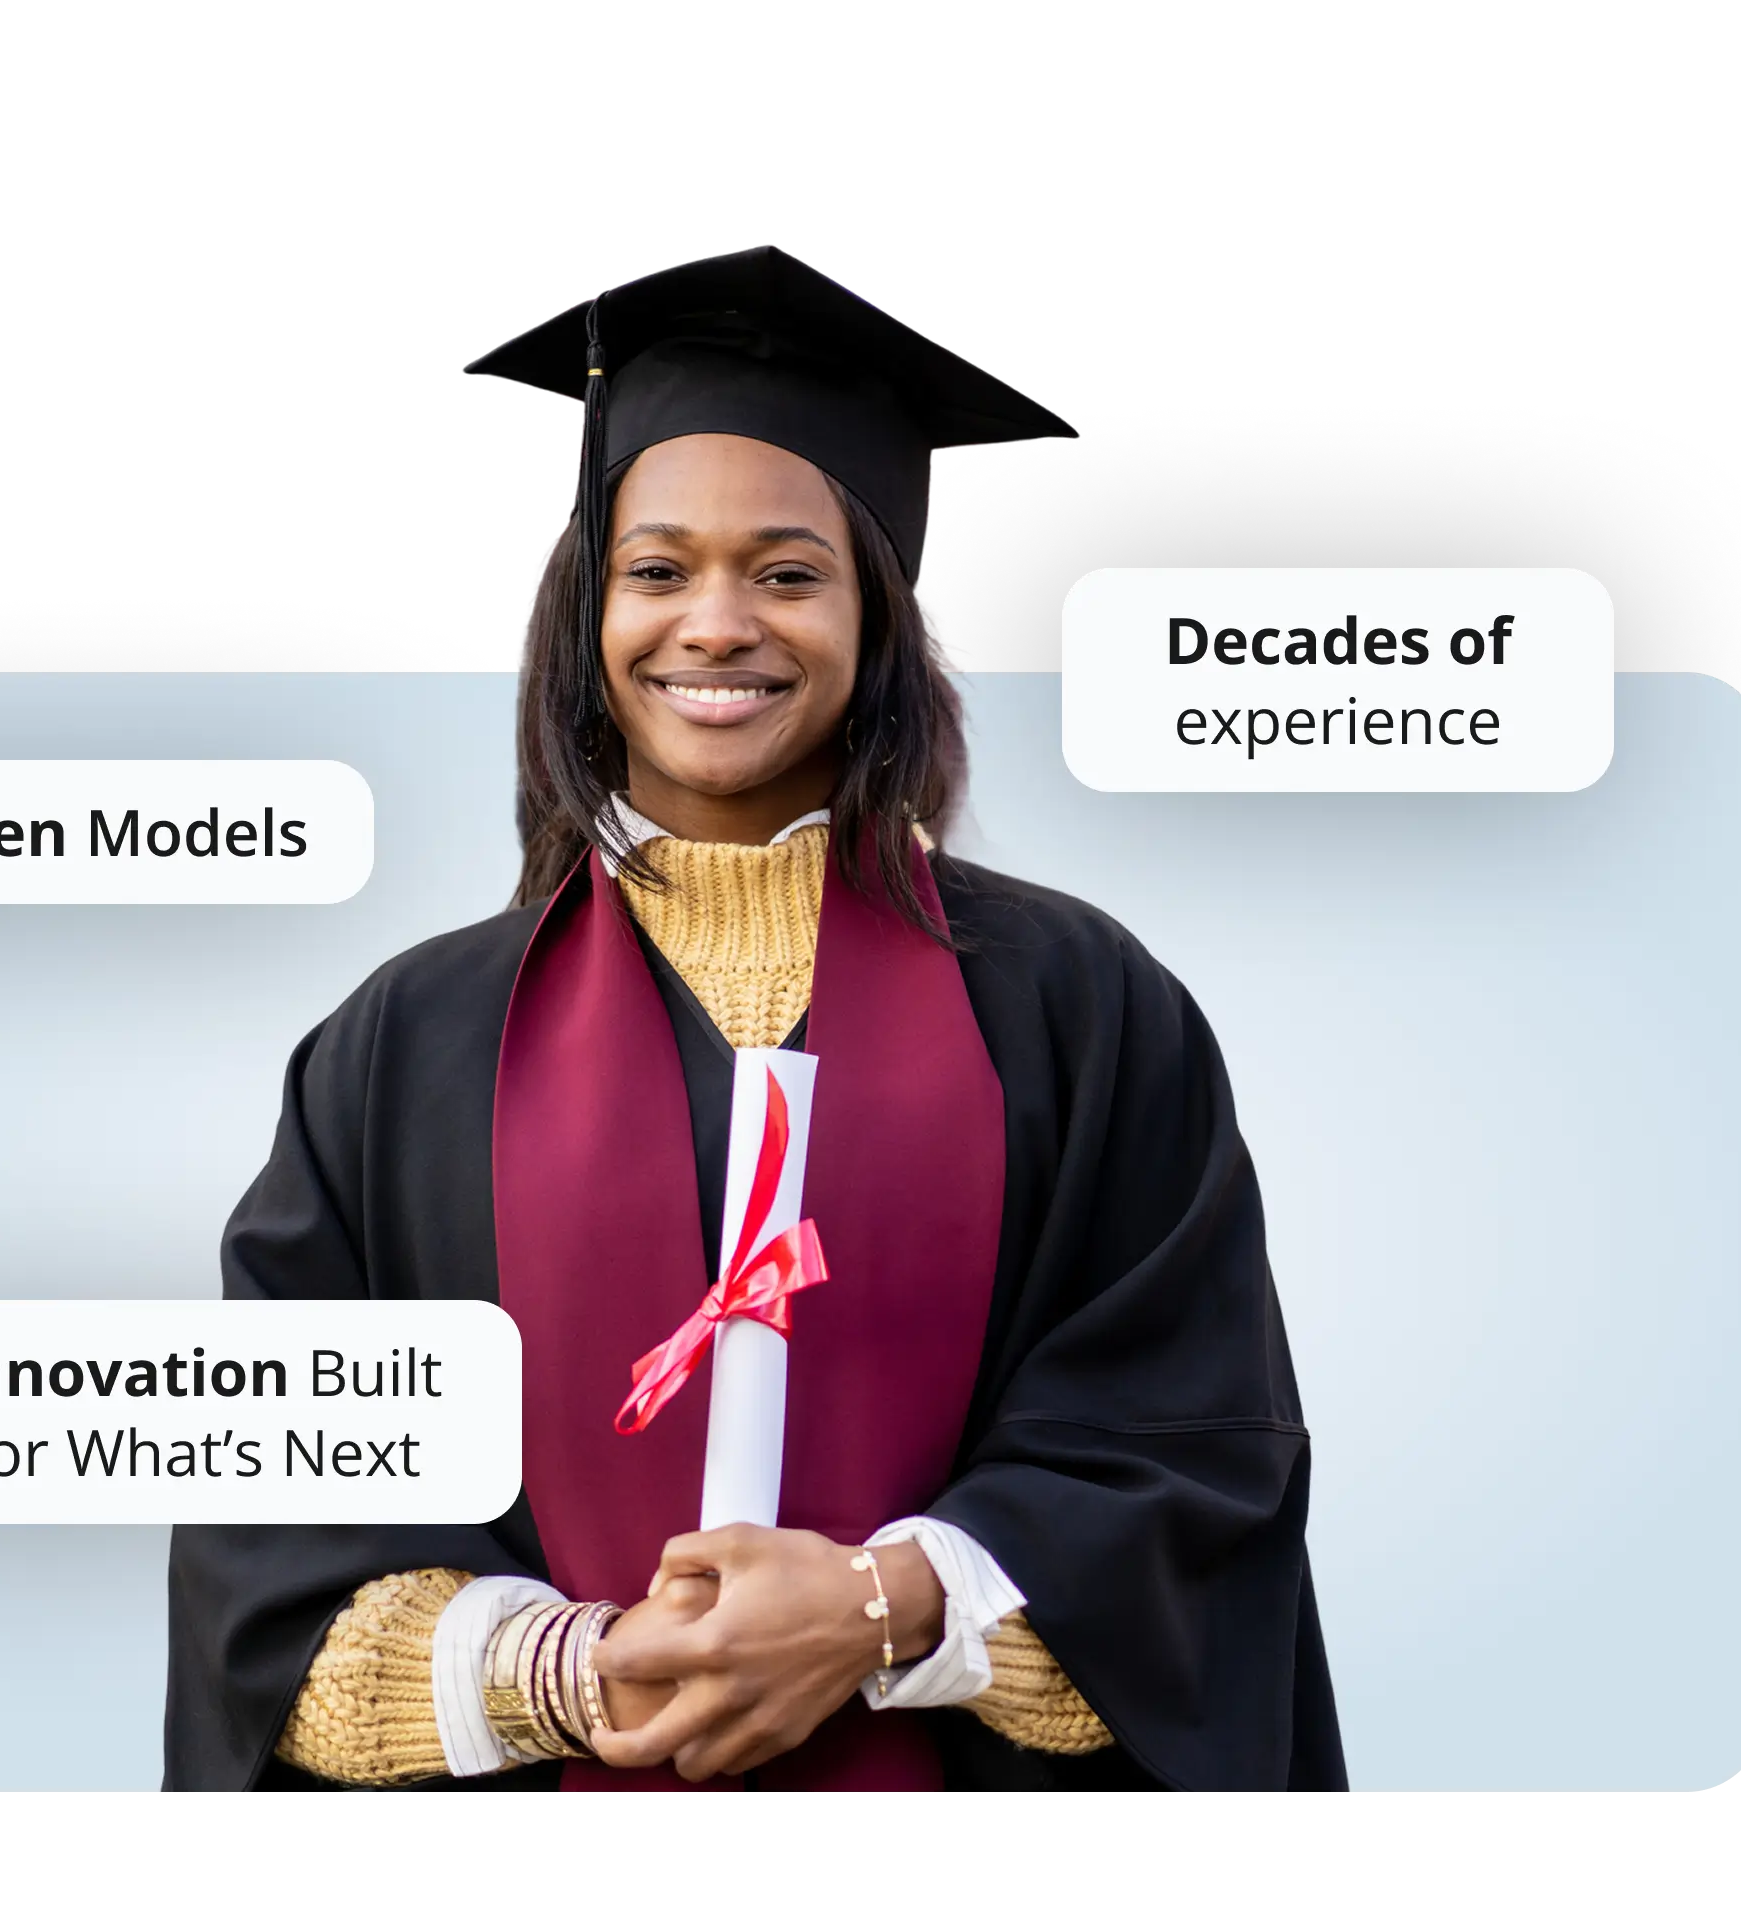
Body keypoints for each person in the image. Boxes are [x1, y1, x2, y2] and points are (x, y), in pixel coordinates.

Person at [164, 245, 1347, 1792]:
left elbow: (1194, 1467)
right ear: (591, 613)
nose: (714, 625)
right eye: (658, 572)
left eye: (787, 572)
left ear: (877, 619)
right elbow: (280, 1523)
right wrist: (573, 1672)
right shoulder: (405, 1045)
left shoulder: (1082, 1007)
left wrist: (879, 1608)